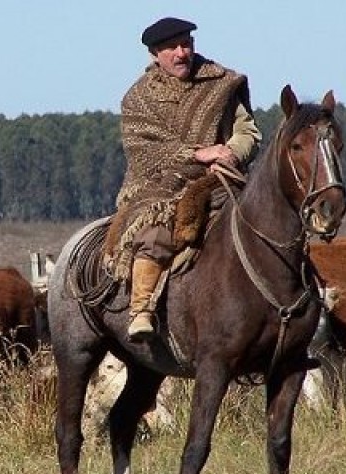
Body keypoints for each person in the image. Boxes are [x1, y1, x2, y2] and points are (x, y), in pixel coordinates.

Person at [108, 16, 262, 341]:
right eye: (172, 47)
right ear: (154, 54)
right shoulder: (137, 99)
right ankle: (141, 310)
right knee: (155, 230)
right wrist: (197, 153)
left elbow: (246, 130)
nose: (182, 53)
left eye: (186, 44)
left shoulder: (220, 83)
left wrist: (230, 153)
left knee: (271, 221)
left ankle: (301, 306)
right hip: (160, 184)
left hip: (224, 178)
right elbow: (143, 150)